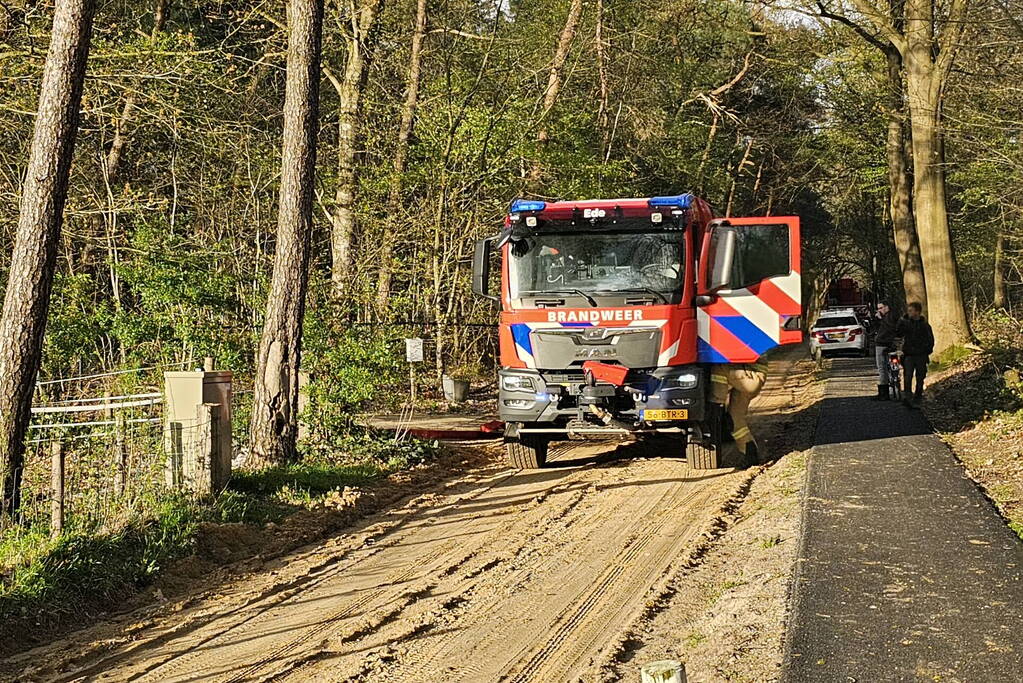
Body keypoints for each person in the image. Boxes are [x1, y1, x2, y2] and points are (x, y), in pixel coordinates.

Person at [710, 358, 769, 465]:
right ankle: (750, 455)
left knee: (718, 369)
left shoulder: (748, 341)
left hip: (750, 377)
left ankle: (716, 403)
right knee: (734, 420)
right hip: (751, 377)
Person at [896, 301, 934, 407]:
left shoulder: (925, 325)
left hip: (921, 355)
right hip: (909, 355)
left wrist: (926, 350)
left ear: (917, 312)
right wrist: (902, 321)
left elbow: (930, 340)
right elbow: (898, 333)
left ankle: (917, 397)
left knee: (920, 377)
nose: (909, 313)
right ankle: (908, 397)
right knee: (907, 376)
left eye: (911, 311)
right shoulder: (907, 324)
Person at [871, 301, 899, 400]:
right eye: (878, 308)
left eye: (881, 307)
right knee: (890, 364)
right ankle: (895, 380)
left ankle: (884, 392)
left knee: (881, 367)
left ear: (887, 307)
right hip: (891, 343)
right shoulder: (892, 316)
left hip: (882, 344)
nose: (880, 310)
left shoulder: (889, 317)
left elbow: (889, 327)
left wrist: (880, 319)